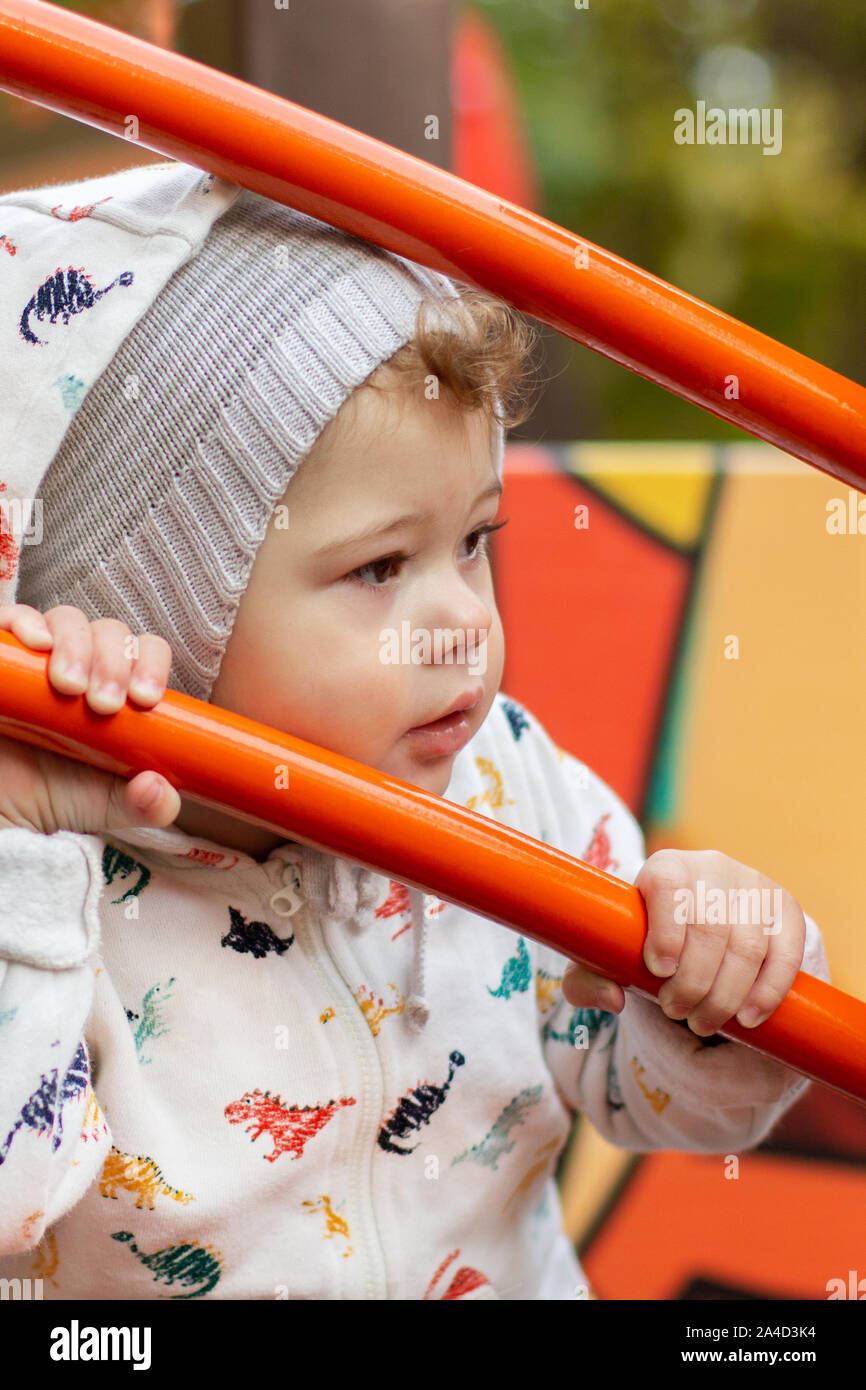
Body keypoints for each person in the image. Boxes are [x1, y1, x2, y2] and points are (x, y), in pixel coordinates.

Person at [0, 161, 828, 1300]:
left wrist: (715, 982)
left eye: (474, 540)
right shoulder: (48, 881)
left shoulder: (503, 780)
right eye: (379, 566)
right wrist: (24, 855)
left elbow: (647, 1095)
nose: (461, 624)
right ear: (159, 615)